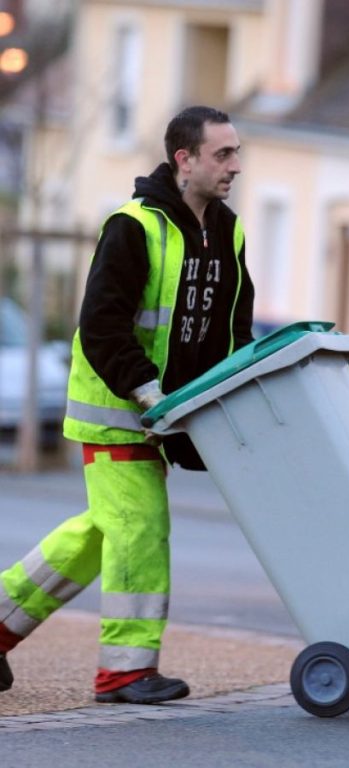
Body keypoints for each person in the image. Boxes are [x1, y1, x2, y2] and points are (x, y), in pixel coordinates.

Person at [0, 105, 254, 704]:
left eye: (237, 153)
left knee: (99, 533)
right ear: (183, 159)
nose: (235, 166)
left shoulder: (229, 231)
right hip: (118, 411)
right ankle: (125, 670)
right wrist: (147, 391)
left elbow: (230, 329)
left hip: (164, 416)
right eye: (223, 154)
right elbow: (101, 326)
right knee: (140, 527)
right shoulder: (133, 226)